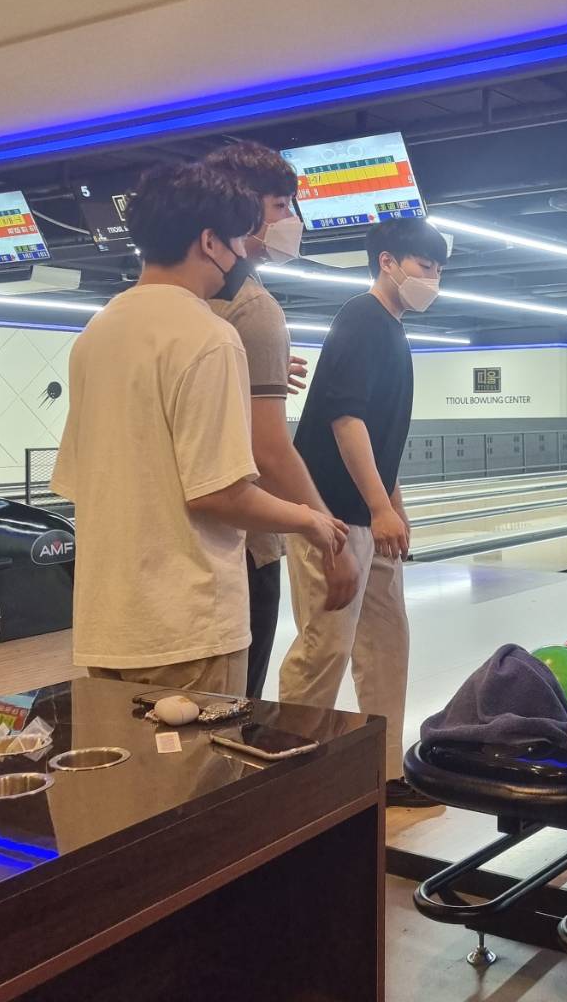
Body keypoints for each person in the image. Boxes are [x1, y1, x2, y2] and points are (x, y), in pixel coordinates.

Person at [52, 163, 346, 694]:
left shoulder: (97, 332)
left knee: (126, 751)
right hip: (189, 627)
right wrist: (311, 520)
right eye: (235, 242)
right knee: (204, 752)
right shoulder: (209, 336)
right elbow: (218, 493)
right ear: (210, 242)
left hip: (108, 624)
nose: (237, 257)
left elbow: (80, 479)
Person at [280, 216, 449, 806]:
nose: (433, 278)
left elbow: (380, 438)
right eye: (425, 265)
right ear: (388, 263)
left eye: (439, 268)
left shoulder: (392, 331)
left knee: (386, 643)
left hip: (369, 520)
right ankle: (288, 774)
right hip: (328, 514)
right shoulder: (360, 320)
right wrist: (378, 507)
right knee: (325, 646)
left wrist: (394, 508)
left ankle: (385, 773)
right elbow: (345, 419)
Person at [203, 140, 348, 698]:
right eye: (282, 205)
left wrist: (251, 378)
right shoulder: (253, 307)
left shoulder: (165, 305)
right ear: (242, 208)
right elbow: (270, 449)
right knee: (231, 708)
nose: (293, 220)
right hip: (242, 545)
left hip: (175, 547)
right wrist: (326, 532)